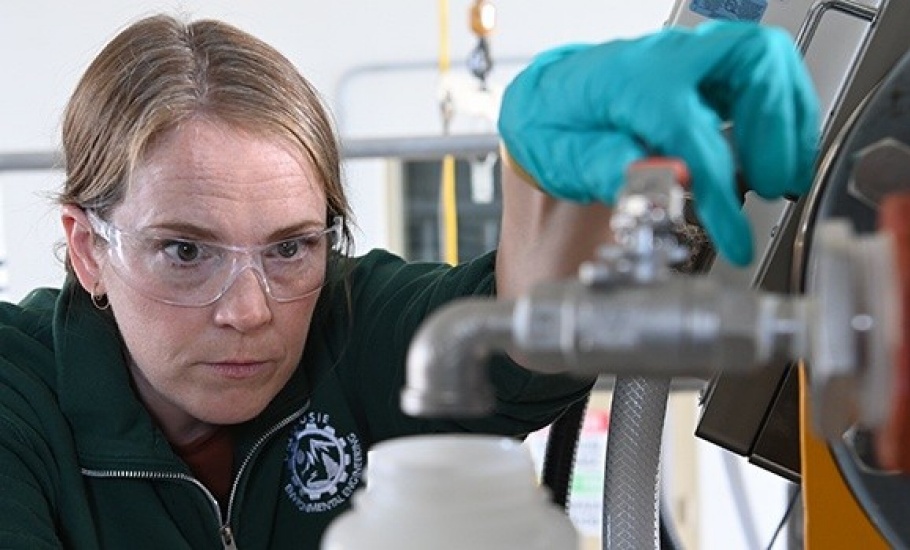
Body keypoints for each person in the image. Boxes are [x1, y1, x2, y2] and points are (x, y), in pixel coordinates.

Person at [0, 12, 818, 549]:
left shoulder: (352, 326)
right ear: (87, 249)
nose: (250, 312)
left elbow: (519, 336)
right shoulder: (18, 393)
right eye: (185, 252)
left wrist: (543, 177)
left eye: (290, 248)